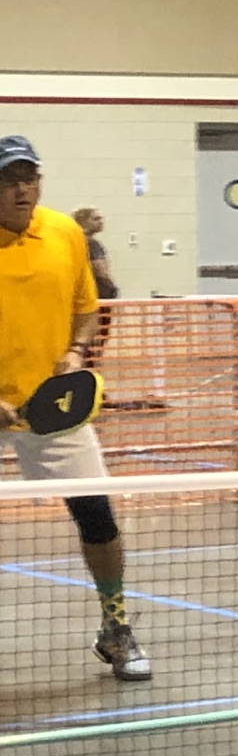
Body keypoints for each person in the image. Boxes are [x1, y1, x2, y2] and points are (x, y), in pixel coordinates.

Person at [0, 138, 146, 680]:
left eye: (29, 178)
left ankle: (116, 627)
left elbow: (86, 309)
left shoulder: (64, 233)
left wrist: (77, 351)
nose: (21, 189)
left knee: (97, 514)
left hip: (50, 405)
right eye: (9, 180)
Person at [72, 206, 116, 362]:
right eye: (96, 218)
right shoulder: (90, 244)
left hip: (88, 295)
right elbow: (100, 269)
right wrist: (110, 287)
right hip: (97, 295)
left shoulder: (75, 242)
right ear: (83, 221)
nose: (101, 222)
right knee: (96, 334)